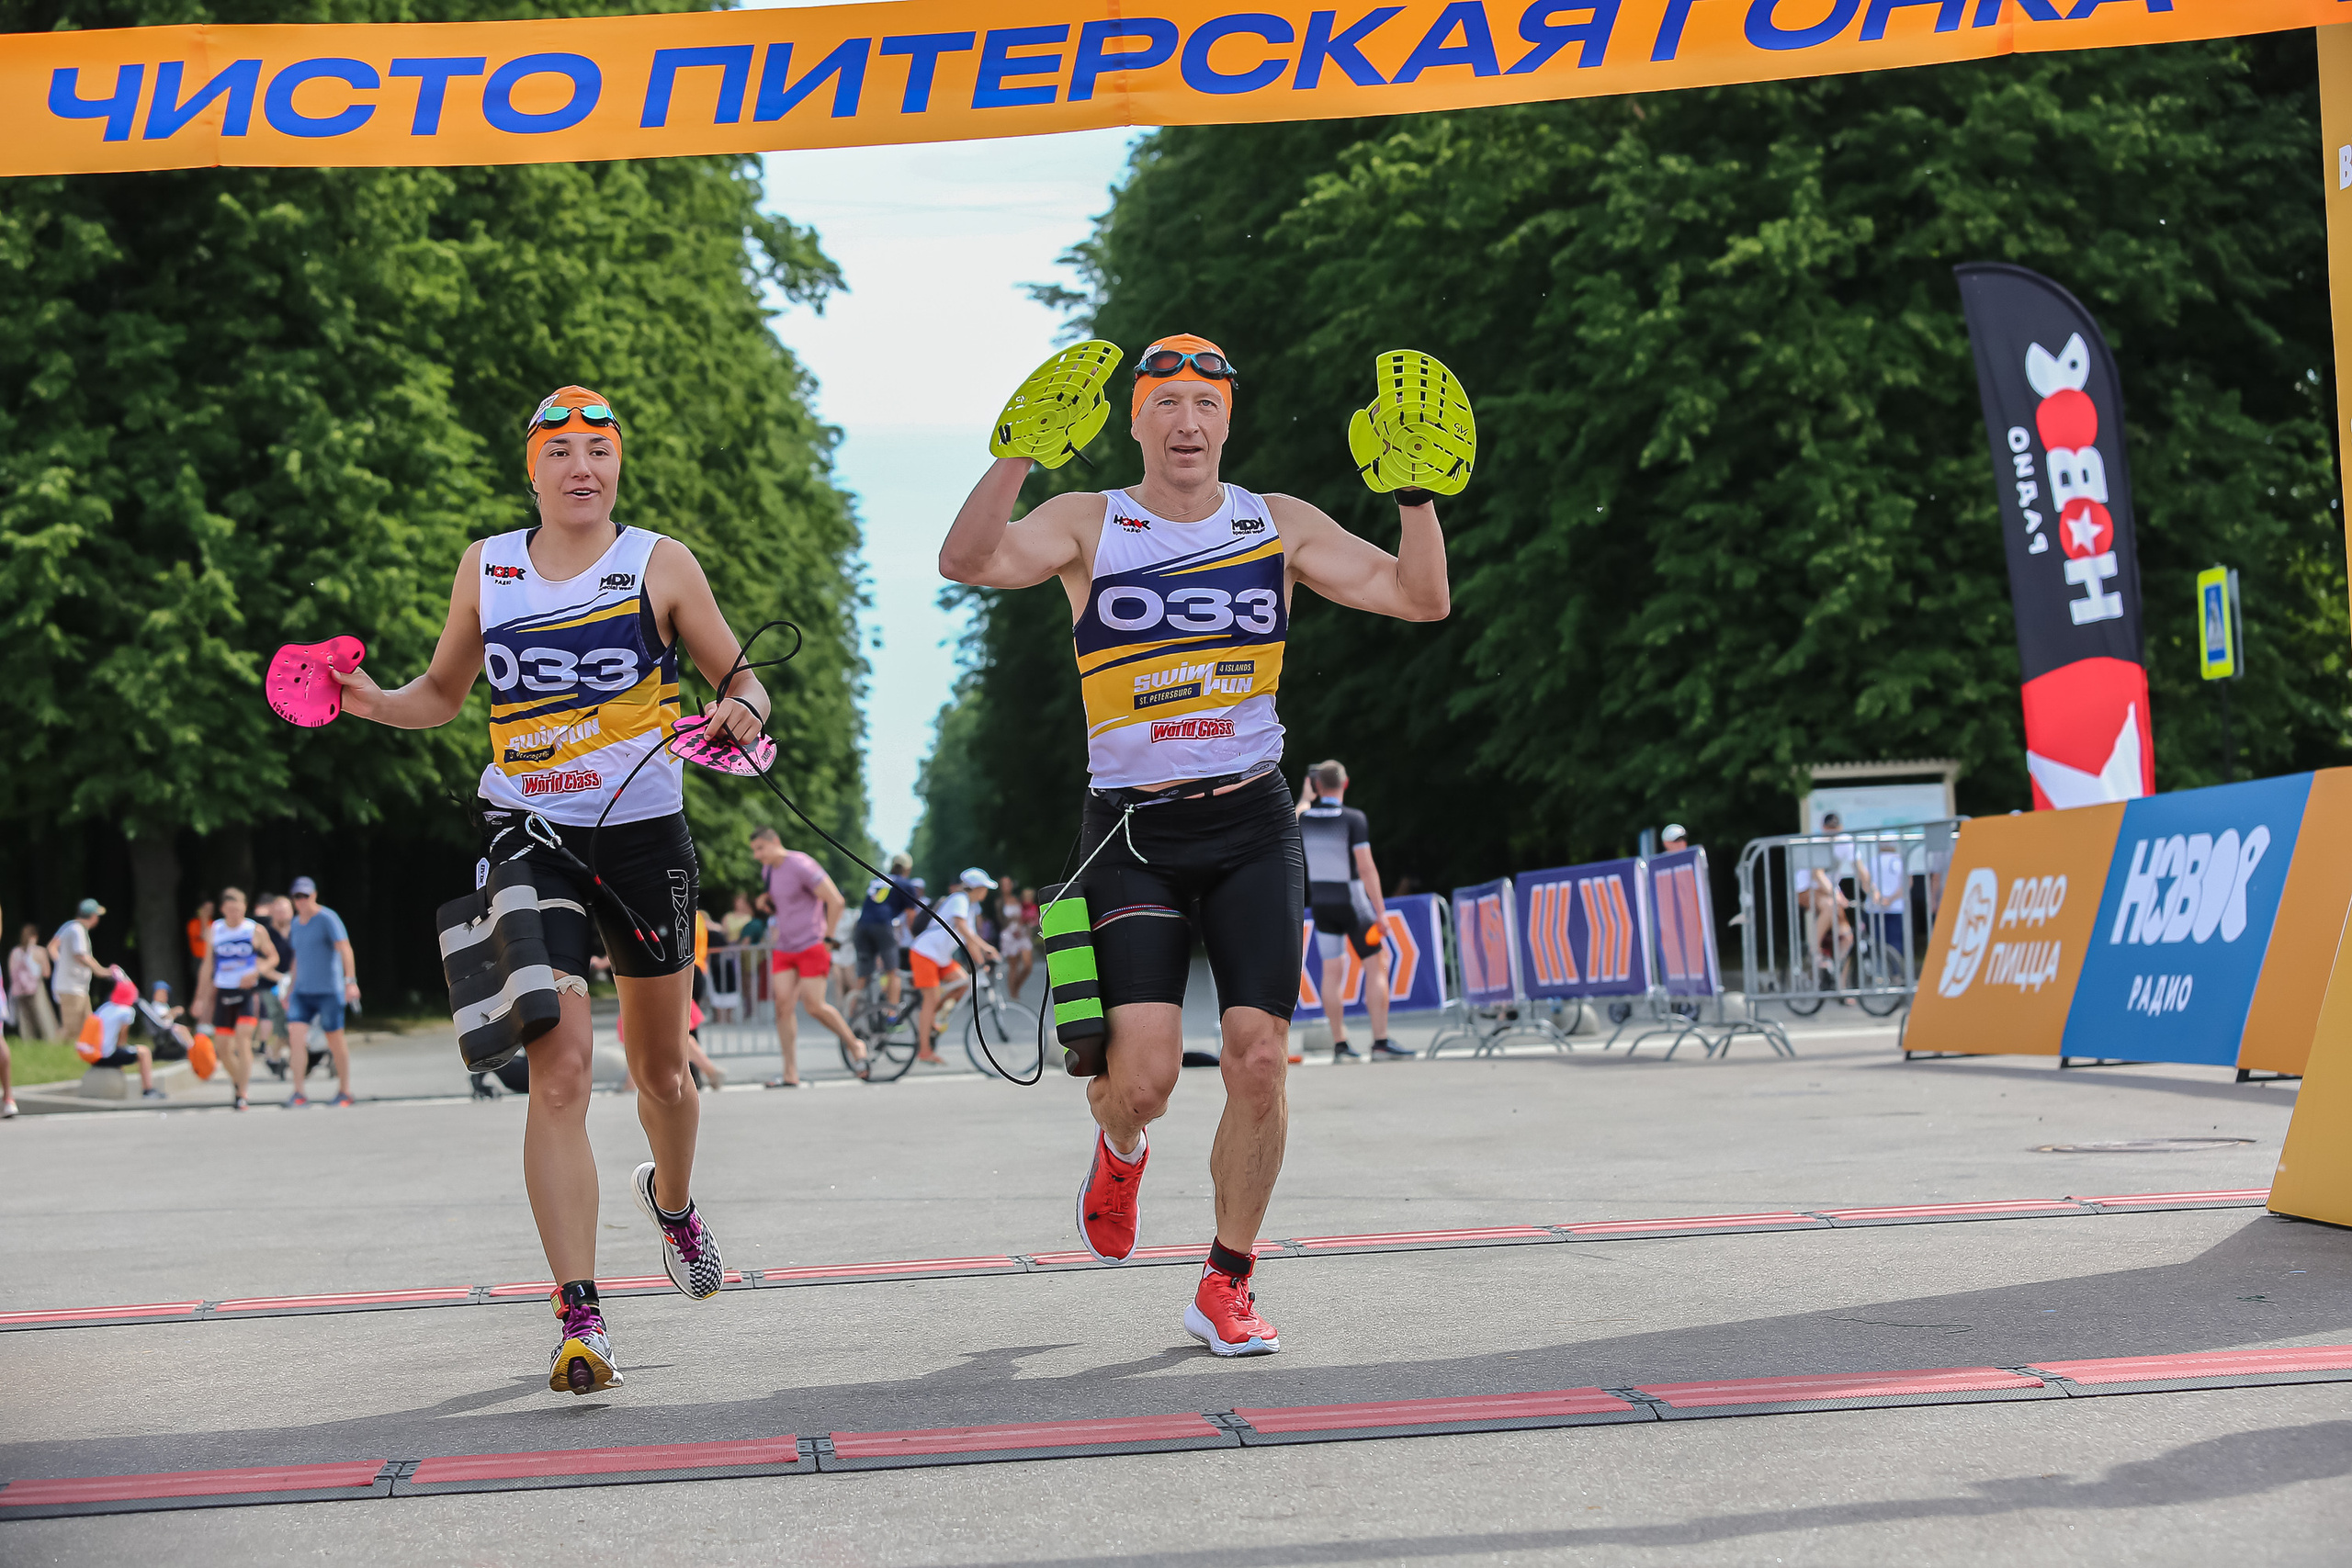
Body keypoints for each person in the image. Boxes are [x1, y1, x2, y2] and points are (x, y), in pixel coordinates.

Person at [939, 332, 1453, 1356]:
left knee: (1260, 1060)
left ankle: (1226, 1280)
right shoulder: (1092, 523)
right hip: (1131, 831)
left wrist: (1413, 493)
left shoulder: (1278, 524)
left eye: (1205, 404)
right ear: (1133, 420)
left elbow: (1419, 597)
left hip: (1253, 820)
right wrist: (1019, 452)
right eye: (1165, 402)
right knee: (1147, 1080)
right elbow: (968, 561)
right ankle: (1118, 1143)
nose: (1186, 421)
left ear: (1229, 420)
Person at [332, 384, 772, 1394]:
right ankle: (581, 1316)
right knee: (559, 1072)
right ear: (531, 469)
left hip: (643, 838)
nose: (582, 467)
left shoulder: (659, 564)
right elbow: (442, 696)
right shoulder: (486, 567)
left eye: (598, 451)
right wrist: (367, 702)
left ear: (620, 464)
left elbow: (742, 679)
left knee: (662, 1074)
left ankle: (672, 1204)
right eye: (560, 451)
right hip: (526, 833)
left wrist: (741, 714)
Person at [1297, 761, 1403, 1061]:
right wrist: (1380, 911)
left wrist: (1306, 796)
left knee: (1332, 972)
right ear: (1345, 784)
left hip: (1322, 904)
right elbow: (1367, 868)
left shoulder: (1305, 818)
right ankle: (1380, 1041)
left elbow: (1298, 812)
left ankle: (1340, 1044)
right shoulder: (1353, 819)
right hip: (1354, 904)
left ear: (1317, 786)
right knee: (1376, 963)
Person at [749, 826, 865, 1087]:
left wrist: (829, 940)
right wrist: (765, 899)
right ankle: (790, 1073)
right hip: (785, 947)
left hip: (812, 943)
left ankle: (855, 1044)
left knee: (814, 1006)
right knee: (782, 1006)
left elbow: (836, 901)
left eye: (760, 849)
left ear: (775, 841)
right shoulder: (768, 871)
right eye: (754, 851)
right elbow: (785, 900)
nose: (757, 856)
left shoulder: (801, 864)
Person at [281, 876, 362, 1107]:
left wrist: (350, 982)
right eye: (297, 896)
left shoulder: (328, 918)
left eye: (305, 896)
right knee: (295, 1038)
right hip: (302, 992)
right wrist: (289, 989)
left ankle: (345, 1091)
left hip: (328, 991)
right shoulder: (296, 924)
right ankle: (298, 1092)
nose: (302, 901)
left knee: (334, 1039)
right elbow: (297, 958)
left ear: (314, 895)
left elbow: (345, 948)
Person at [191, 886, 271, 1111]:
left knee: (243, 1040)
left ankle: (242, 1093)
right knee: (224, 1048)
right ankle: (239, 1081)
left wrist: (258, 970)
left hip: (247, 993)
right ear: (223, 909)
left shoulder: (254, 930)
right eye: (230, 910)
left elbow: (272, 957)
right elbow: (207, 966)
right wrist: (200, 998)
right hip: (224, 992)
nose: (235, 914)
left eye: (239, 909)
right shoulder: (215, 930)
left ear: (245, 907)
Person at [910, 867, 998, 1064]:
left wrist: (982, 963)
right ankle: (924, 1050)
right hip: (925, 952)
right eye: (985, 888)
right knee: (930, 998)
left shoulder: (969, 905)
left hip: (939, 957)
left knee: (963, 984)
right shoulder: (960, 900)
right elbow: (962, 927)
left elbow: (970, 941)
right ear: (976, 888)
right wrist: (987, 947)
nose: (986, 892)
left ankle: (931, 1017)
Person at [75, 970, 168, 1100]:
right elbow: (121, 1038)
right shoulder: (127, 1011)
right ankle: (148, 1090)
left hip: (93, 1054)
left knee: (132, 1051)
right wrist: (121, 1054)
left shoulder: (106, 1007)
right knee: (145, 1052)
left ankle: (147, 1090)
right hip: (106, 1055)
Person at [853, 854, 921, 1012]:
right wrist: (916, 936)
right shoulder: (906, 884)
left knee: (862, 976)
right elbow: (911, 916)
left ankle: (851, 1017)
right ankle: (892, 1016)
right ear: (907, 869)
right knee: (893, 972)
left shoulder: (877, 880)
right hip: (883, 926)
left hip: (862, 927)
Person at [49, 898, 105, 1052]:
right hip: (71, 987)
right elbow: (82, 956)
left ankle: (85, 1054)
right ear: (93, 916)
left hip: (75, 986)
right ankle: (52, 1052)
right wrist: (100, 970)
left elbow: (51, 946)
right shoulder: (78, 930)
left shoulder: (69, 927)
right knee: (71, 1028)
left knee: (87, 1024)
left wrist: (61, 964)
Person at [10, 925, 57, 1043]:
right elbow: (47, 973)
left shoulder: (15, 952)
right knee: (43, 1015)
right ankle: (50, 1040)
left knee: (25, 1018)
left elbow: (12, 973)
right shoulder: (39, 951)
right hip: (36, 987)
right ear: (35, 936)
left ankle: (28, 1041)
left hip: (20, 990)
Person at [999, 876, 1036, 998]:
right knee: (1013, 966)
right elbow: (1000, 921)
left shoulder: (1018, 899)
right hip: (1009, 934)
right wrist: (1012, 920)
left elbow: (1026, 913)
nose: (1007, 887)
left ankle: (1016, 986)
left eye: (1008, 884)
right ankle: (1013, 993)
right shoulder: (999, 902)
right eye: (1004, 884)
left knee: (1027, 966)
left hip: (1023, 933)